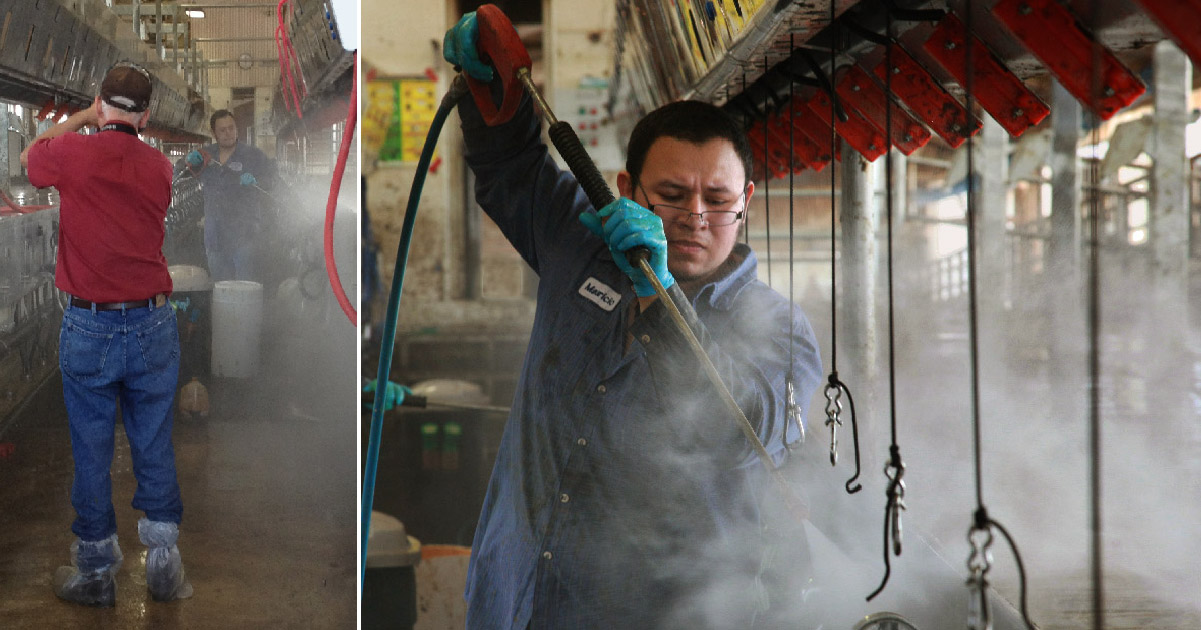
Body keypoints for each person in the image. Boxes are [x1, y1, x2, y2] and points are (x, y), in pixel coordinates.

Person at [435, 12, 823, 630]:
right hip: (522, 596)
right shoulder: (581, 241)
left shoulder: (779, 329)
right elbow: (514, 172)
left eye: (717, 200)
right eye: (671, 195)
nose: (695, 216)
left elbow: (746, 432)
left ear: (746, 200)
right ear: (626, 188)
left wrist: (659, 294)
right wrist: (495, 102)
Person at [21, 61, 193, 607]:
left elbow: (29, 159)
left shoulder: (73, 155)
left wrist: (79, 118)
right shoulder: (160, 169)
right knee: (153, 442)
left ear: (100, 103)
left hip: (90, 323)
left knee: (91, 450)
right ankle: (165, 564)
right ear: (146, 115)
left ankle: (96, 572)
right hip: (151, 322)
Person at [178, 109, 277, 282]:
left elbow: (273, 181)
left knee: (245, 288)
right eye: (222, 130)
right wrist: (187, 161)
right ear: (214, 133)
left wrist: (257, 181)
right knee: (220, 288)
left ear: (237, 129)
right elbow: (178, 174)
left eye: (231, 128)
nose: (228, 133)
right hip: (214, 237)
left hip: (244, 236)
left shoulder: (253, 155)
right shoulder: (206, 156)